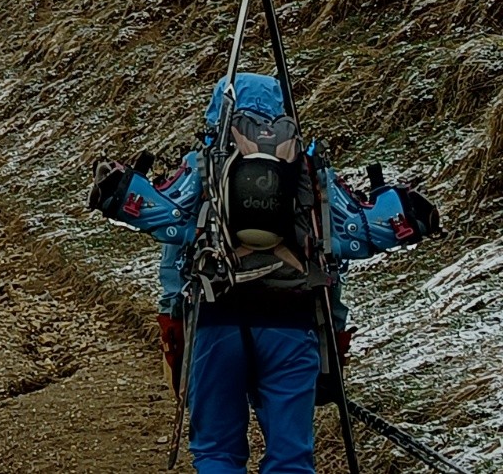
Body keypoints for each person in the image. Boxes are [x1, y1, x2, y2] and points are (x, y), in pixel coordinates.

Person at [88, 72, 441, 474]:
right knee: (291, 459)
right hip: (291, 324)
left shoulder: (204, 164)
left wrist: (174, 324)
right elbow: (357, 233)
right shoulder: (306, 168)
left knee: (217, 451)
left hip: (215, 320)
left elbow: (170, 238)